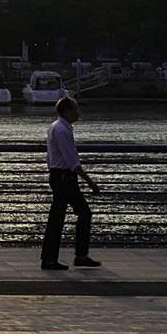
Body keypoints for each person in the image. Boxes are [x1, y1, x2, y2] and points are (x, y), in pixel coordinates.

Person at [41, 95, 101, 270]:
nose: (78, 113)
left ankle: (51, 258)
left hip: (58, 176)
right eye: (75, 109)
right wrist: (90, 182)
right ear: (67, 110)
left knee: (58, 218)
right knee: (81, 214)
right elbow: (72, 161)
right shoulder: (62, 130)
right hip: (65, 178)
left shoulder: (55, 127)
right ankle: (77, 256)